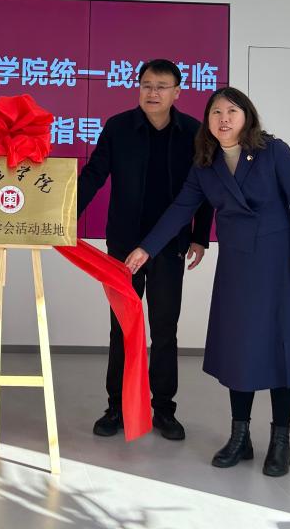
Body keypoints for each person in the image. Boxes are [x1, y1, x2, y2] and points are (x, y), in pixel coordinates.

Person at [125, 87, 290, 476]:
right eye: (216, 112)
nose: (224, 119)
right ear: (208, 122)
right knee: (239, 349)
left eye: (232, 111)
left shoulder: (273, 151)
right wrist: (146, 248)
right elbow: (180, 210)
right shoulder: (206, 164)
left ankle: (280, 441)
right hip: (237, 265)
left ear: (247, 116)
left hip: (279, 262)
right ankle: (240, 437)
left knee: (281, 348)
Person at [78, 59, 213, 440]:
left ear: (177, 92)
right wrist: (65, 217)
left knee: (165, 328)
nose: (153, 93)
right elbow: (93, 176)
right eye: (147, 85)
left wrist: (200, 236)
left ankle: (164, 410)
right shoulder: (118, 128)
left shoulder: (194, 132)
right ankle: (116, 407)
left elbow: (205, 189)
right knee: (121, 326)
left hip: (171, 246)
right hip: (124, 245)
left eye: (161, 86)